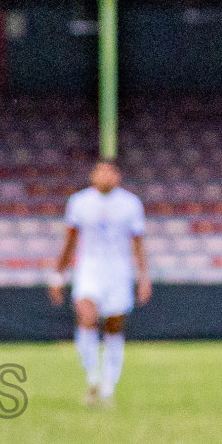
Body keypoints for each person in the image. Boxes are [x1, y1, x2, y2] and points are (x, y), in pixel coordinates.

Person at [49, 160, 150, 405]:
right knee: (87, 317)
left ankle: (108, 384)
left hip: (118, 270)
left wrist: (143, 276)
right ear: (93, 175)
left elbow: (137, 243)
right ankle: (92, 378)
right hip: (89, 268)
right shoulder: (80, 202)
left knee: (114, 325)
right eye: (100, 171)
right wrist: (58, 275)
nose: (104, 176)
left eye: (109, 171)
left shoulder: (130, 204)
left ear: (117, 176)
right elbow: (70, 242)